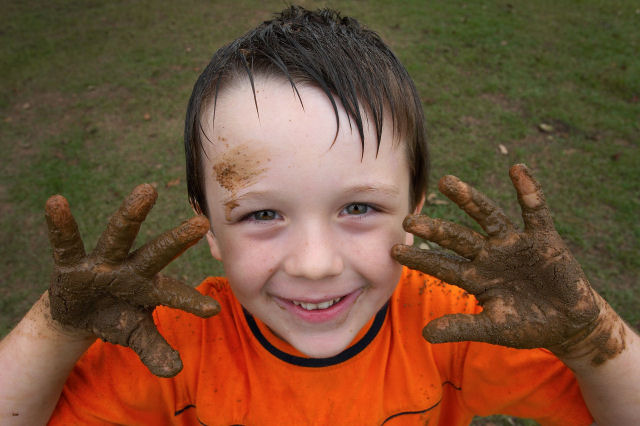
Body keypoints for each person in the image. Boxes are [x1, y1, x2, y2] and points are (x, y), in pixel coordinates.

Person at [0, 5, 638, 425]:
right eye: (261, 214)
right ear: (208, 224)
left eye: (358, 206)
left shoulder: (454, 325)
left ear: (414, 206)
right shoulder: (175, 347)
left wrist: (592, 341)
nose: (314, 264)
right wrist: (55, 330)